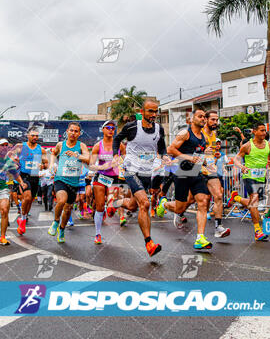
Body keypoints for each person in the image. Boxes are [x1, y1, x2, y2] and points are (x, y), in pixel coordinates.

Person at [112, 99, 167, 257]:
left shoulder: (158, 129)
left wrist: (164, 157)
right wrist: (116, 154)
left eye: (156, 111)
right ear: (142, 112)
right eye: (150, 111)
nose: (154, 114)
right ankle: (149, 243)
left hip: (146, 172)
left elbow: (161, 145)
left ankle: (116, 204)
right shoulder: (132, 127)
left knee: (132, 206)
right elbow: (117, 139)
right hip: (130, 170)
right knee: (145, 203)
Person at [158, 109, 214, 250]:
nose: (203, 119)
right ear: (191, 119)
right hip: (181, 173)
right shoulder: (185, 133)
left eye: (204, 117)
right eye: (200, 116)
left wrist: (206, 160)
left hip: (195, 173)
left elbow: (198, 154)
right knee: (180, 208)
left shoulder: (204, 138)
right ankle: (164, 204)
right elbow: (170, 149)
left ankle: (200, 238)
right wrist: (188, 157)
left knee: (203, 200)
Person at [48, 122, 90, 243]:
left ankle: (62, 229)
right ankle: (56, 222)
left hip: (74, 182)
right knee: (61, 200)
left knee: (68, 209)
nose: (73, 133)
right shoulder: (60, 145)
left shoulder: (81, 146)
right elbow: (53, 153)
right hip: (60, 178)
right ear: (67, 131)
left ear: (79, 134)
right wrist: (52, 164)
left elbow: (88, 159)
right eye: (71, 130)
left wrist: (77, 155)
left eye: (76, 131)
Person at [230, 122, 270, 241]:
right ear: (254, 131)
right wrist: (241, 167)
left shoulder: (269, 145)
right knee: (255, 201)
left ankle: (236, 198)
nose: (264, 133)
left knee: (254, 204)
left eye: (265, 130)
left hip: (261, 177)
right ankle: (258, 231)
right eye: (262, 130)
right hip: (249, 176)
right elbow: (236, 159)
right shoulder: (247, 146)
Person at [89, 120, 126, 244]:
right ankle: (97, 234)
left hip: (114, 178)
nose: (111, 130)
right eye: (108, 127)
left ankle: (109, 209)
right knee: (99, 206)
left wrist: (121, 162)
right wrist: (101, 167)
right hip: (100, 178)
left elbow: (125, 157)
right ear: (103, 130)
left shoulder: (119, 145)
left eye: (113, 128)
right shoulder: (97, 146)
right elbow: (91, 164)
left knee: (113, 205)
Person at [200, 110, 231, 238]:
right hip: (197, 170)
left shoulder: (213, 134)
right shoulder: (199, 133)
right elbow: (193, 152)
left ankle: (218, 227)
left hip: (210, 170)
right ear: (206, 120)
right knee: (188, 202)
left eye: (217, 120)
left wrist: (216, 157)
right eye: (212, 119)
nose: (215, 122)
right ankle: (173, 209)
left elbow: (211, 153)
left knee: (218, 195)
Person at [18, 128, 47, 232]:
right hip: (24, 175)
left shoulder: (41, 149)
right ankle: (22, 218)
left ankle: (23, 218)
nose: (35, 137)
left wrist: (42, 166)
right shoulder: (21, 147)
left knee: (30, 200)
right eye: (33, 135)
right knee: (27, 197)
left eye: (37, 136)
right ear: (27, 135)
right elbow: (11, 158)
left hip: (35, 176)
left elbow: (46, 163)